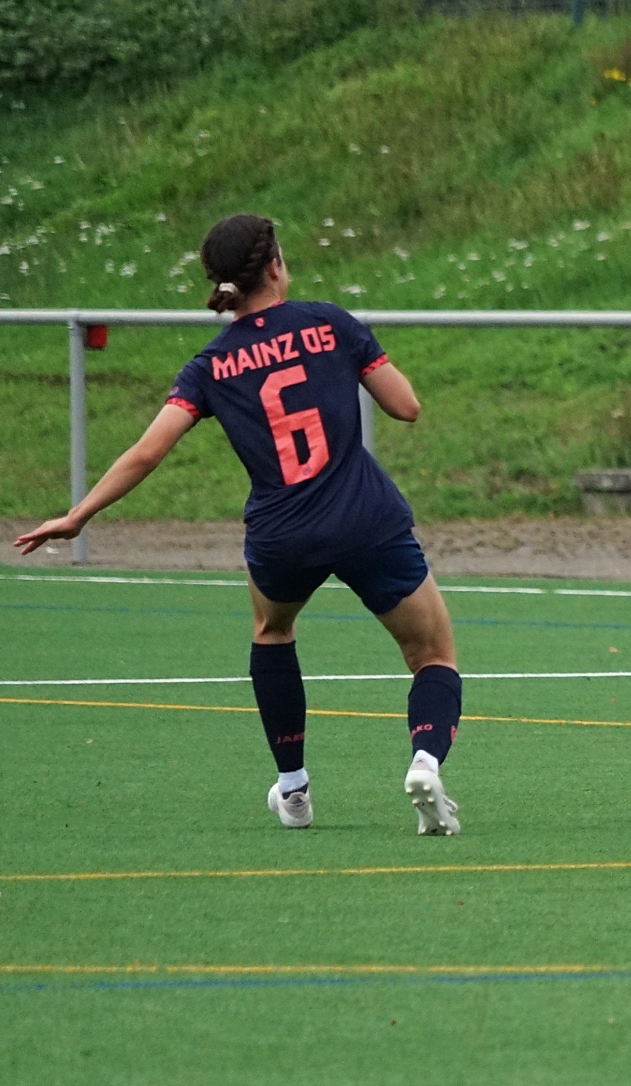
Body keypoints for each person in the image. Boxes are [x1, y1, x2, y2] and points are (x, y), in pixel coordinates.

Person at [13, 215, 466, 835]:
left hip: (282, 535)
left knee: (272, 631)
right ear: (275, 265)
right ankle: (424, 761)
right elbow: (406, 406)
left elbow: (148, 451)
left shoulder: (211, 364)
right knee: (432, 654)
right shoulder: (330, 323)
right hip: (366, 520)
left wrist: (77, 516)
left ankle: (294, 790)